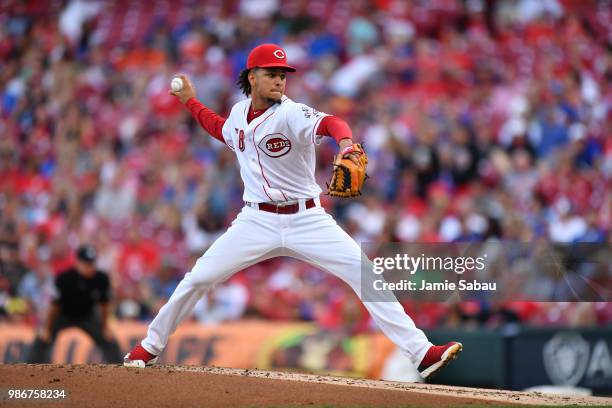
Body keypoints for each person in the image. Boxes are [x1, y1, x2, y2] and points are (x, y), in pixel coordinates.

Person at [124, 44, 462, 379]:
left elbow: (332, 122)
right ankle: (150, 346)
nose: (279, 80)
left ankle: (421, 353)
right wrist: (190, 102)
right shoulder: (240, 113)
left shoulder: (291, 113)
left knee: (365, 275)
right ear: (252, 77)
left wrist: (346, 144)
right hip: (256, 219)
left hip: (307, 219)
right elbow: (219, 127)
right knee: (199, 278)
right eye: (271, 74)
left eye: (283, 75)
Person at [28, 245, 122, 363]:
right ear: (77, 262)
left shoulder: (101, 279)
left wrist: (105, 327)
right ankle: (30, 367)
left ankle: (121, 369)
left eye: (92, 264)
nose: (90, 267)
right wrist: (47, 328)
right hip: (63, 314)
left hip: (88, 315)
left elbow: (104, 306)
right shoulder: (64, 279)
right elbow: (54, 306)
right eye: (86, 264)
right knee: (42, 338)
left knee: (109, 339)